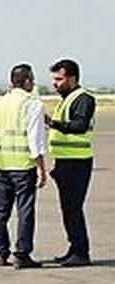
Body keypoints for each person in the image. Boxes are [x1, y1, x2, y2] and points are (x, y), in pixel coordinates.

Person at [0, 64, 48, 269]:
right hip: (23, 166)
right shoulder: (32, 104)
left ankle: (0, 252)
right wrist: (41, 168)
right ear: (27, 82)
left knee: (1, 211)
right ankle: (22, 253)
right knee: (25, 210)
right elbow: (36, 140)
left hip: (0, 166)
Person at [46, 59, 96, 266]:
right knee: (68, 209)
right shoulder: (66, 99)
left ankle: (81, 252)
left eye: (59, 79)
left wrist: (53, 123)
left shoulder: (83, 99)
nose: (55, 83)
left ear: (72, 78)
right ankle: (74, 248)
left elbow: (80, 125)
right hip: (65, 162)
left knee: (73, 208)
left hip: (77, 163)